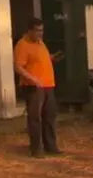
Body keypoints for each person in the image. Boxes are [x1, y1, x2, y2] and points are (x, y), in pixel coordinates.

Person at [13, 19, 62, 158]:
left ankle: (51, 146)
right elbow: (18, 67)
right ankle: (36, 148)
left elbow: (41, 59)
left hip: (48, 85)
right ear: (29, 30)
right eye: (37, 30)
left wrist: (52, 58)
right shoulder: (22, 45)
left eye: (42, 30)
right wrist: (33, 79)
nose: (40, 33)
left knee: (49, 116)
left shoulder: (40, 43)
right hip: (33, 87)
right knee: (35, 118)